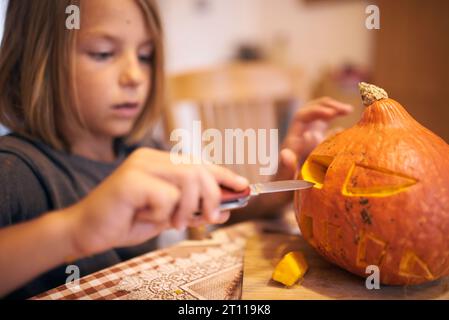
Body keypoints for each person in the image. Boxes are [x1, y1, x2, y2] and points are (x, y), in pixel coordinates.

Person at [0, 0, 352, 298]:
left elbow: (213, 217)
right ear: (37, 58)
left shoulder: (143, 150)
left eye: (145, 56)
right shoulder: (14, 172)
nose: (134, 76)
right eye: (103, 53)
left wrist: (279, 186)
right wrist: (75, 230)